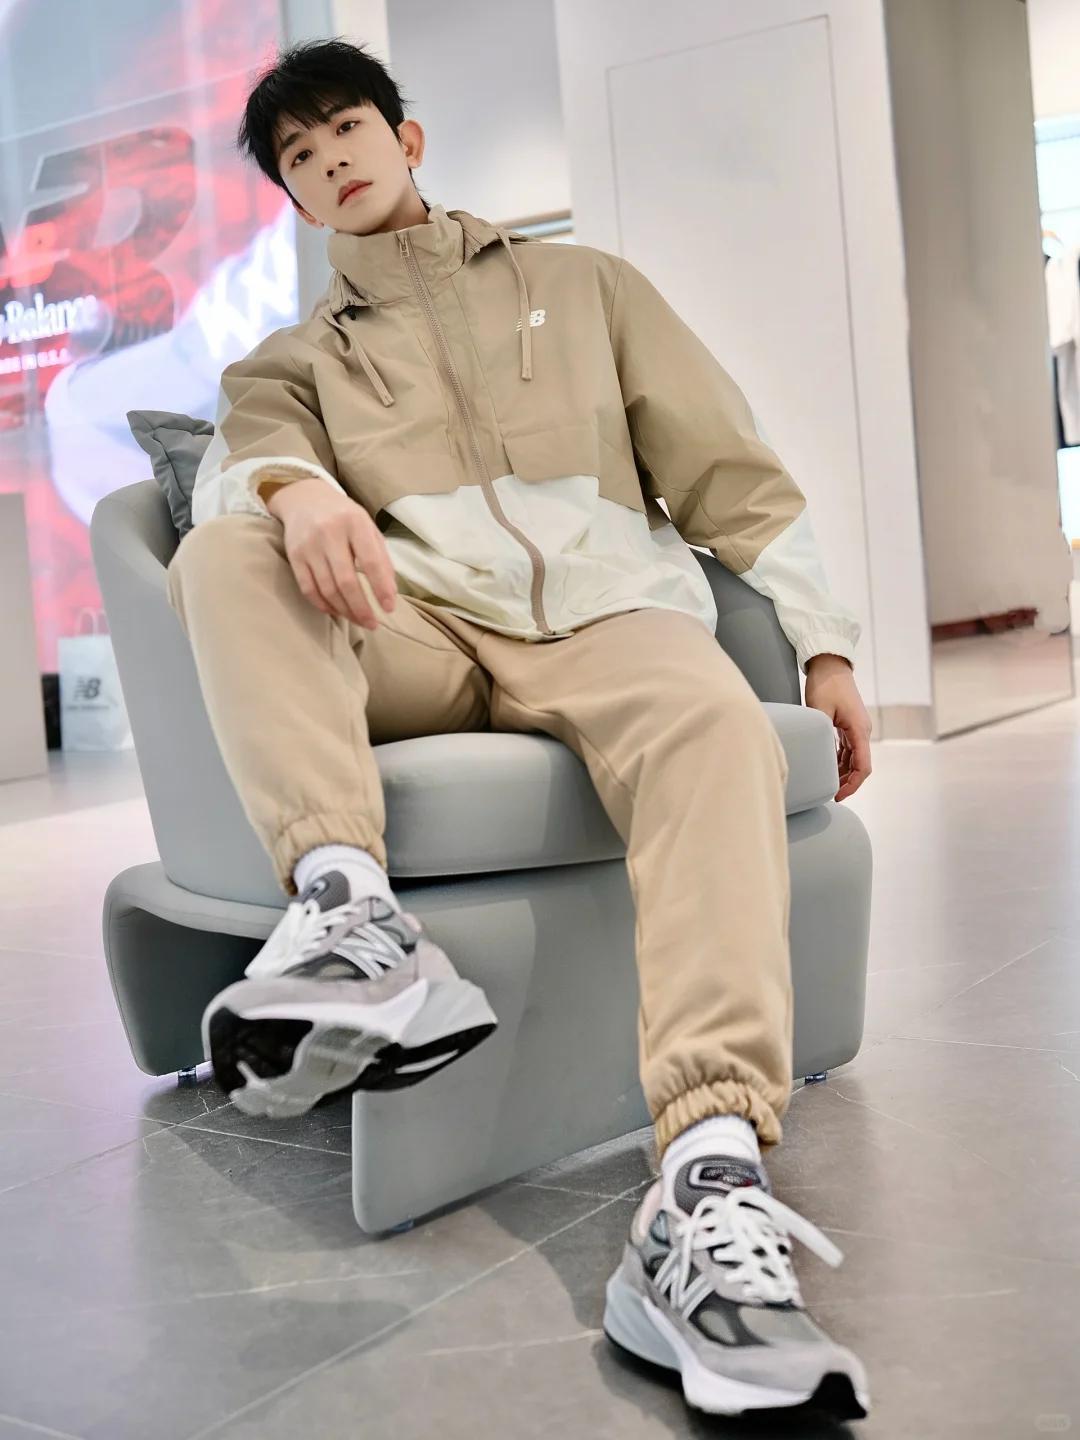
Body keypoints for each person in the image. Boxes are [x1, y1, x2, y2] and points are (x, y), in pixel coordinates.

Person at [167, 37, 874, 1422]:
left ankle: (706, 1182)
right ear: (292, 201)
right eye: (299, 157)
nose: (330, 161)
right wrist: (302, 494)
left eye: (347, 129)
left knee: (717, 730)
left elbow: (730, 475)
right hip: (418, 627)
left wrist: (826, 644)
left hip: (613, 620)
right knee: (226, 547)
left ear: (408, 140)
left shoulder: (587, 287)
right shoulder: (289, 363)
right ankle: (353, 920)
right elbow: (244, 471)